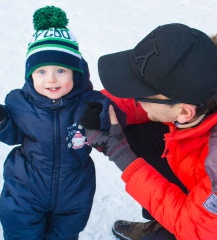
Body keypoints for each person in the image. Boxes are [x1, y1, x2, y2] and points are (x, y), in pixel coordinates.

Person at [0, 6, 125, 240]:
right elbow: (13, 135)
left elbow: (117, 122)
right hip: (25, 191)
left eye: (60, 70)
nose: (51, 79)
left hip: (74, 193)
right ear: (30, 75)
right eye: (41, 71)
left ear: (75, 73)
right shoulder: (19, 102)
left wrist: (100, 117)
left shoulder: (89, 102)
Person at [80, 23, 217, 240]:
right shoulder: (203, 73)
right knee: (135, 129)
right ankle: (162, 218)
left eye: (140, 95)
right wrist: (96, 106)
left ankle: (165, 230)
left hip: (206, 229)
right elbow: (151, 102)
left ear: (184, 112)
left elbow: (197, 231)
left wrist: (120, 154)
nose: (134, 99)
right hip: (201, 181)